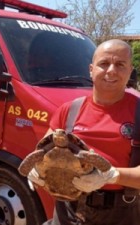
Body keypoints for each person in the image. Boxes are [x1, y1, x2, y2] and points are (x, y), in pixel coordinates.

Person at [28, 39, 140, 225]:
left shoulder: (138, 112)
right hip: (68, 208)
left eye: (120, 64)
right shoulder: (69, 110)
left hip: (120, 213)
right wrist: (35, 167)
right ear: (91, 69)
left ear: (130, 71)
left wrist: (112, 176)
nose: (111, 70)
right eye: (104, 63)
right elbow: (41, 152)